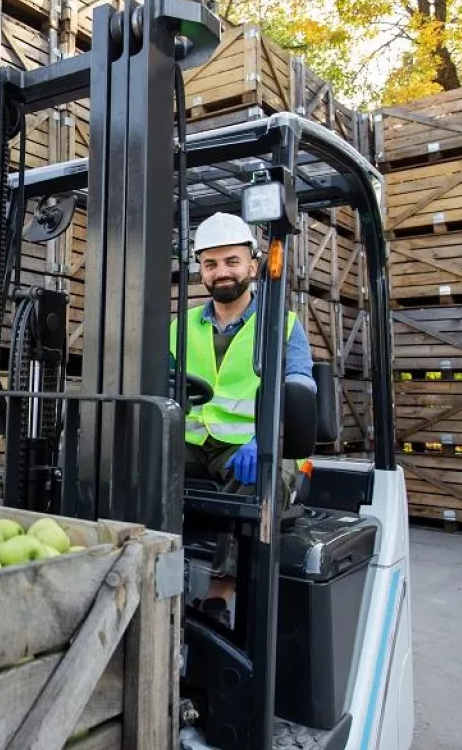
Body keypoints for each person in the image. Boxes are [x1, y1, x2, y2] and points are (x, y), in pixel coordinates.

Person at [169, 212, 316, 625]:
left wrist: (266, 435)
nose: (221, 272)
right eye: (211, 264)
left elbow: (299, 386)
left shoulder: (281, 325)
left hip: (257, 443)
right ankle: (151, 565)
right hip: (197, 443)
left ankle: (221, 589)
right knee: (135, 460)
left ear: (252, 265)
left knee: (260, 475)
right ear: (201, 270)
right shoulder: (179, 328)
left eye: (231, 261)